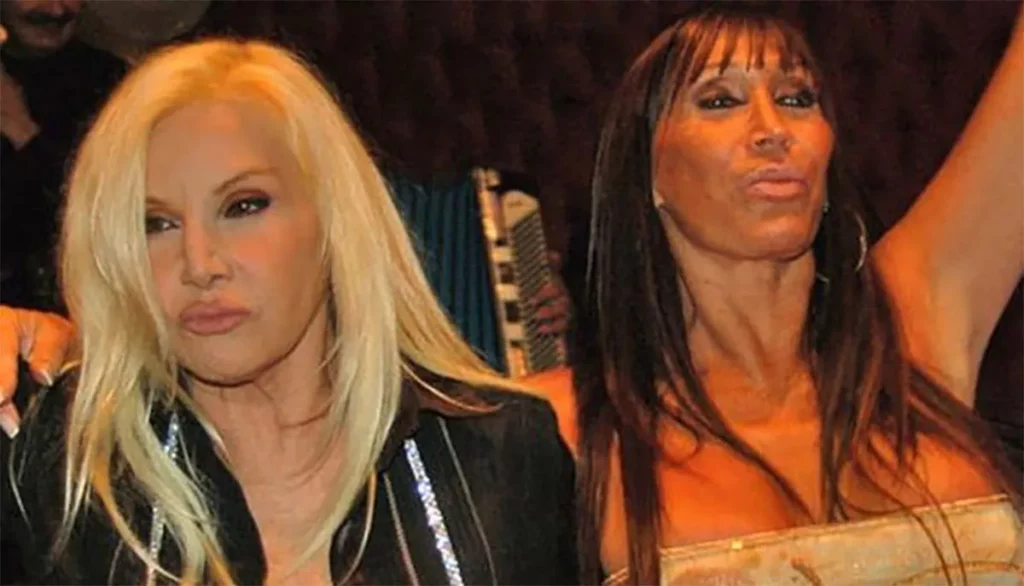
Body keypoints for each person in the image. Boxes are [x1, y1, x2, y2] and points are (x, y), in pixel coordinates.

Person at [0, 38, 577, 585]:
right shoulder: (60, 472)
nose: (199, 263)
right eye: (156, 223)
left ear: (333, 221)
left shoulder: (499, 455)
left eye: (244, 206)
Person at [525, 5, 1023, 584]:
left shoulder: (908, 334)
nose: (772, 129)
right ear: (648, 173)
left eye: (795, 98)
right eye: (719, 101)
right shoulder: (559, 425)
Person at [0, 0, 126, 313]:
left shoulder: (110, 83)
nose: (57, 10)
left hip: (76, 315)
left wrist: (22, 130)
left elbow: (105, 213)